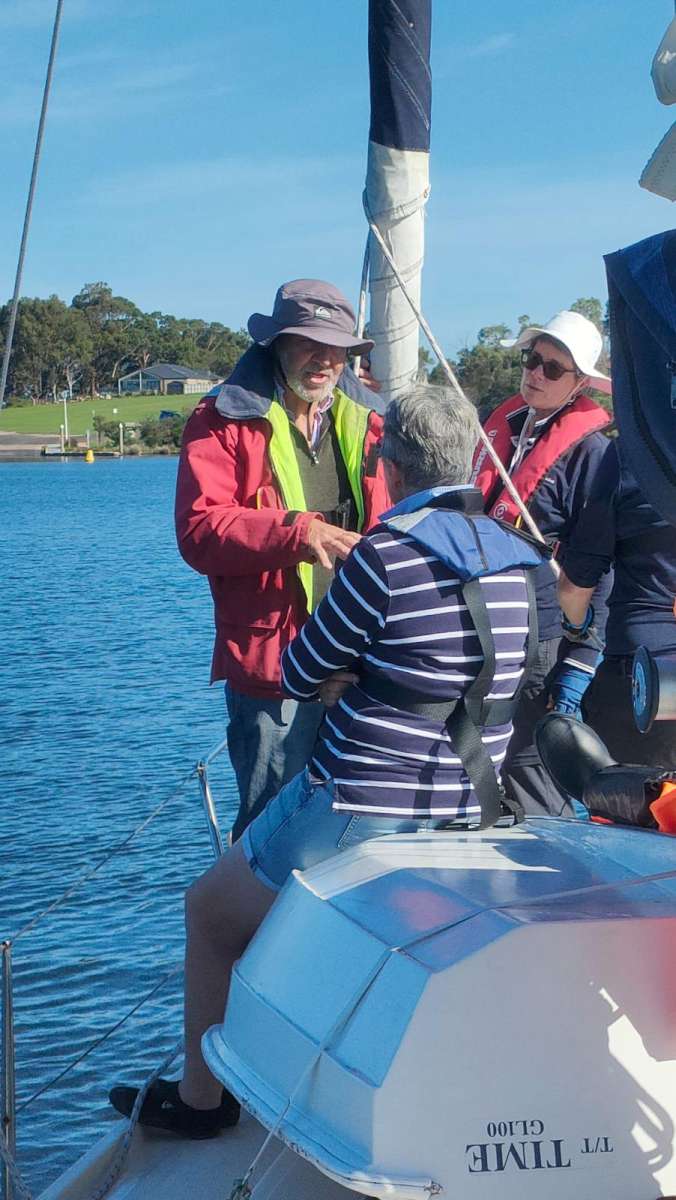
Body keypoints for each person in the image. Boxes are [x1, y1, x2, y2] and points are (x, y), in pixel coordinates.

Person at [110, 384, 544, 1137]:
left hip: (360, 805)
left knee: (210, 913)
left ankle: (204, 1101)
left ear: (394, 462)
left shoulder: (385, 556)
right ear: (473, 457)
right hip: (472, 807)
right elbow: (529, 674)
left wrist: (366, 672)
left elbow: (302, 674)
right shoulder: (525, 559)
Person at [175, 279, 389, 840]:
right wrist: (300, 531)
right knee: (272, 827)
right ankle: (251, 927)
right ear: (276, 344)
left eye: (335, 346)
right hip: (275, 666)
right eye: (307, 343)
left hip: (361, 661)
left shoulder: (374, 422)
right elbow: (201, 530)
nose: (323, 359)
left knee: (356, 822)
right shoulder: (221, 419)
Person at [473, 310, 614, 817]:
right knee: (481, 774)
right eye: (533, 361)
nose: (535, 374)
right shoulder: (505, 433)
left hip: (542, 642)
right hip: (484, 630)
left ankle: (558, 890)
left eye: (553, 369)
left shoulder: (593, 455)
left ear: (580, 385)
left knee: (534, 781)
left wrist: (580, 662)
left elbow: (598, 565)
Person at [558, 438, 676, 768]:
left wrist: (577, 625)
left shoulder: (632, 452)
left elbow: (575, 586)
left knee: (632, 810)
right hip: (651, 672)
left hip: (647, 676)